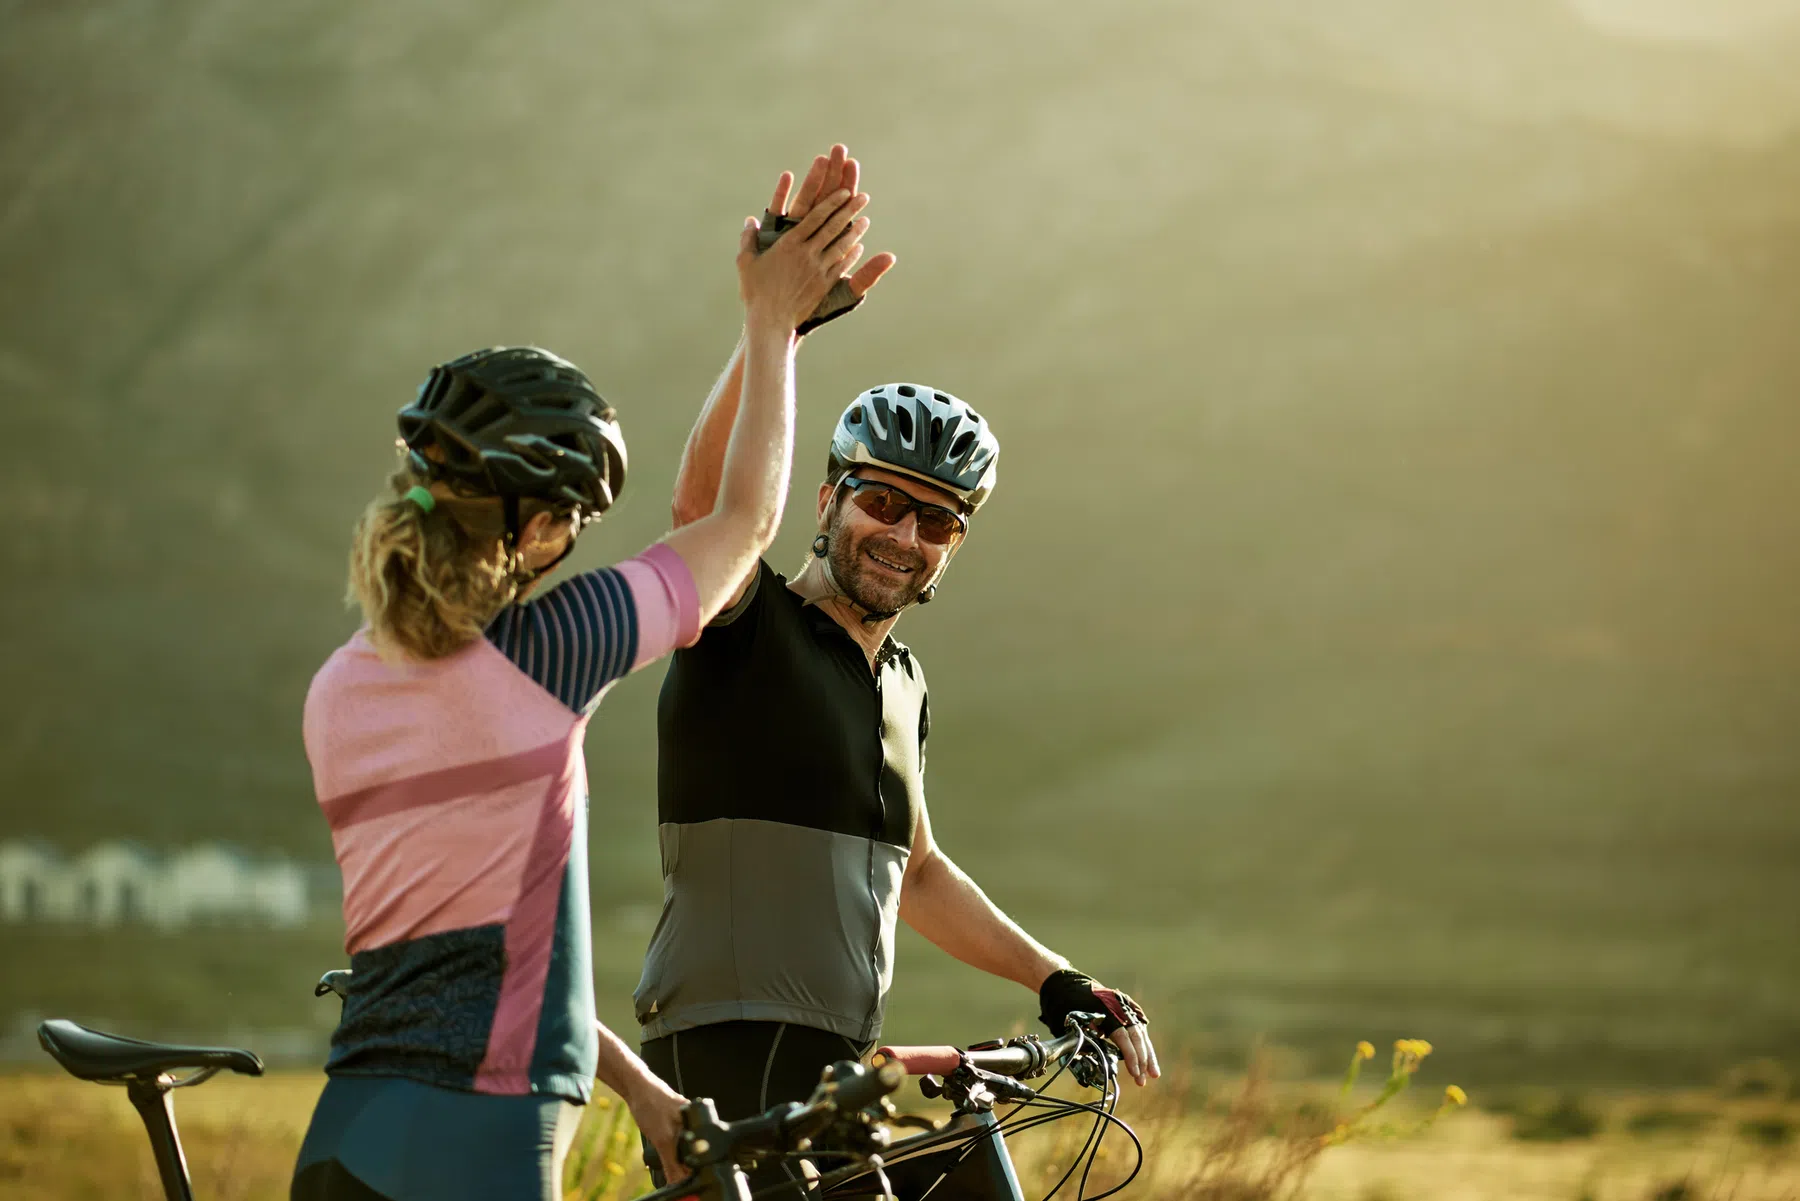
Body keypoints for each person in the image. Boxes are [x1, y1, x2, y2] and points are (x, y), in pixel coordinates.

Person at [290, 157, 877, 1201]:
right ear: (542, 527)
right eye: (574, 525)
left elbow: (485, 963)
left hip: (347, 1136)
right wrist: (771, 322)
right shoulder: (543, 657)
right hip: (481, 1142)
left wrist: (644, 1090)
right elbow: (738, 526)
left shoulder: (338, 689)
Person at [634, 149, 1160, 1196]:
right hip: (724, 1063)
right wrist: (775, 325)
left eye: (937, 520)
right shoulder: (747, 625)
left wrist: (1056, 981)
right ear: (827, 497)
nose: (903, 534)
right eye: (883, 500)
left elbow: (915, 872)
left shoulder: (902, 685)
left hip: (838, 1072)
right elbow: (705, 510)